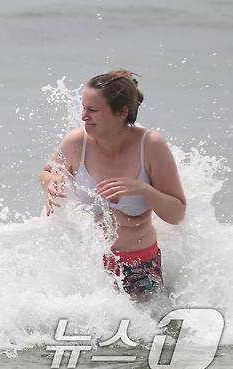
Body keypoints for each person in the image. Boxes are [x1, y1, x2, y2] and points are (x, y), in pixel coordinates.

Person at [39, 69, 186, 298]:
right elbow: (47, 173)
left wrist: (143, 190)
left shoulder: (150, 146)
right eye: (84, 108)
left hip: (138, 267)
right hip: (86, 265)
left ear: (122, 112)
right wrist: (53, 180)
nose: (83, 116)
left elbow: (176, 213)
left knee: (141, 331)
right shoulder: (77, 142)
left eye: (93, 110)